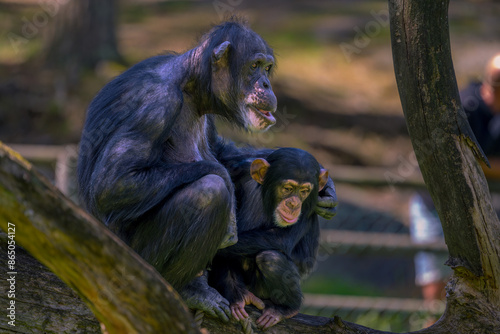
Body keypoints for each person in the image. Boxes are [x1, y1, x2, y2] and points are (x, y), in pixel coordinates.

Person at [410, 53, 500, 322]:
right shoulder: (464, 105)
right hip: (438, 205)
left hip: (486, 210)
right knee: (436, 292)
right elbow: (458, 157)